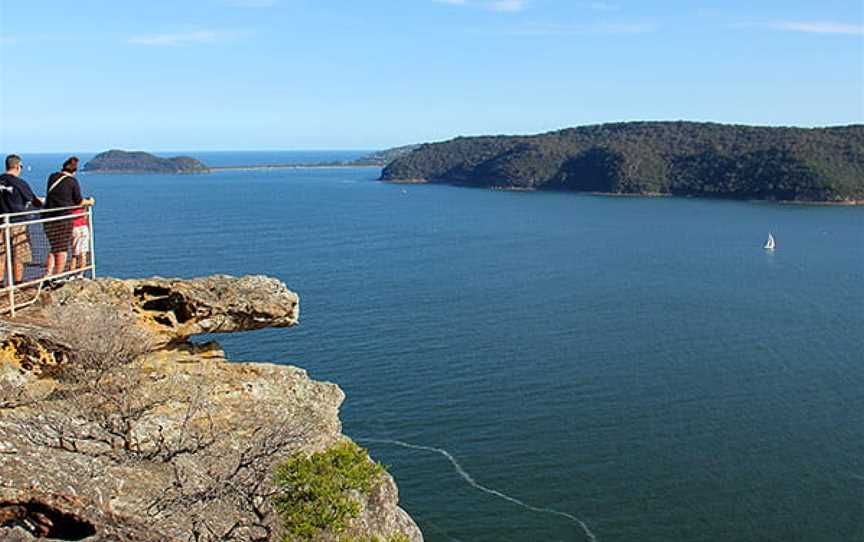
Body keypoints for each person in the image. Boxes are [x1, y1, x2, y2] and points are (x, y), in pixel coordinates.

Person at [44, 157, 94, 277]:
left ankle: (48, 274)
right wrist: (90, 202)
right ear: (74, 171)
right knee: (62, 250)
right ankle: (57, 277)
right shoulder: (72, 181)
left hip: (48, 217)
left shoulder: (52, 177)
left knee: (54, 247)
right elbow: (79, 201)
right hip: (63, 218)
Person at [0, 154, 43, 286]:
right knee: (19, 254)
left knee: (1, 254)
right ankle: (17, 283)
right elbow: (34, 201)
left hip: (0, 222)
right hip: (17, 223)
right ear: (18, 166)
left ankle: (0, 283)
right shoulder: (19, 183)